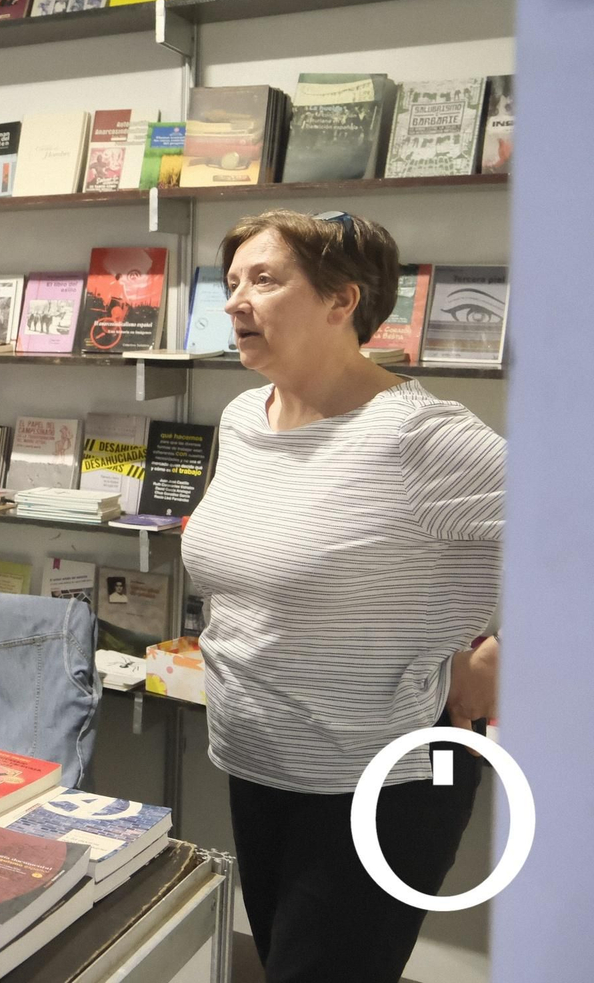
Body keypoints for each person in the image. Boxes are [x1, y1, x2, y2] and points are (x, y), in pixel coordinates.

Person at [182, 210, 502, 983]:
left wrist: (502, 655)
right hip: (259, 763)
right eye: (232, 281)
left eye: (264, 279)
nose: (235, 300)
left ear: (341, 300)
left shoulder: (420, 435)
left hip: (383, 781)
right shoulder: (243, 417)